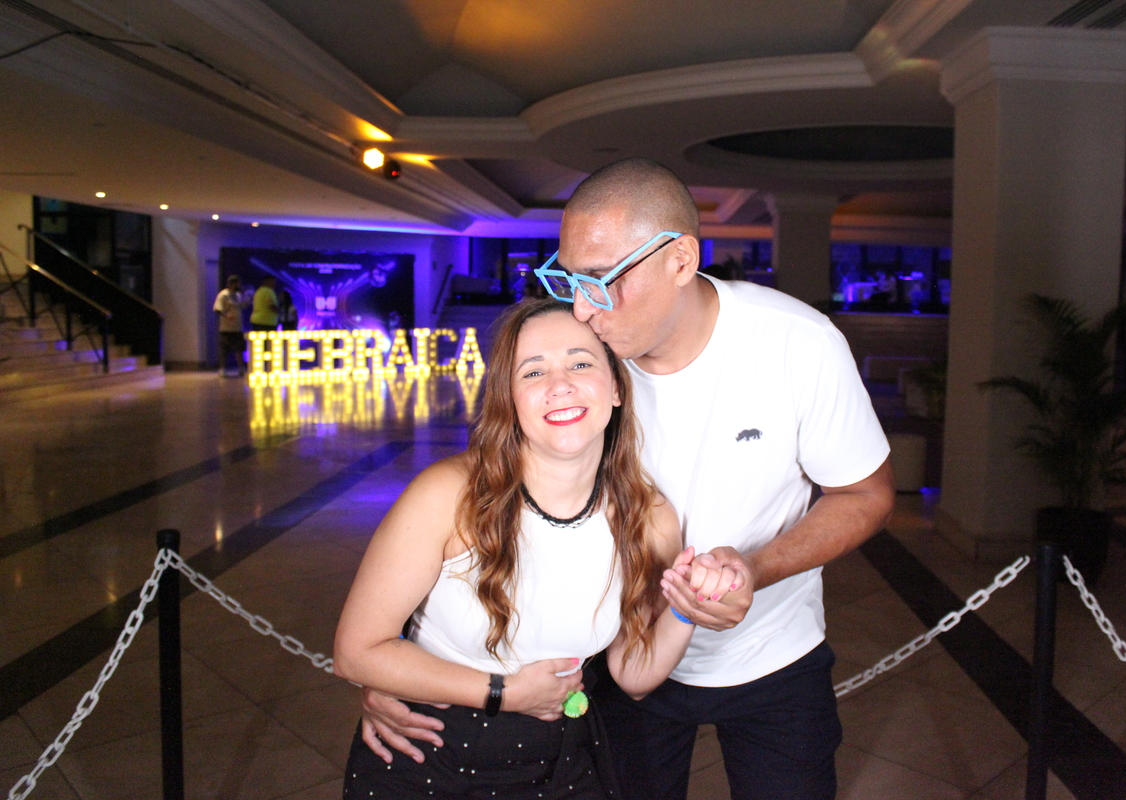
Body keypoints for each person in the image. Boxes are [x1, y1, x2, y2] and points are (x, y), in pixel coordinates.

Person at [360, 158, 894, 800]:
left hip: (773, 651)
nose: (583, 306)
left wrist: (754, 569)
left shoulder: (797, 343)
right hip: (612, 661)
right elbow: (484, 514)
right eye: (570, 279)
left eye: (603, 279)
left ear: (681, 259)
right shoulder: (587, 351)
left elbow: (866, 494)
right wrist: (403, 666)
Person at [335, 298, 730, 799]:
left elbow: (634, 673)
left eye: (580, 364)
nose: (559, 384)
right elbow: (356, 652)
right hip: (429, 752)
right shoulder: (449, 495)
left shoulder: (649, 516)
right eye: (534, 371)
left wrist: (685, 608)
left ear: (615, 387)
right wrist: (503, 692)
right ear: (509, 398)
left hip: (561, 759)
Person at [213, 275, 246, 377]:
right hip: (226, 328)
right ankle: (222, 369)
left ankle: (241, 368)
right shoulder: (223, 295)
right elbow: (217, 309)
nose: (238, 286)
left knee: (239, 349)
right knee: (224, 349)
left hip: (237, 327)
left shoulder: (237, 296)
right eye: (237, 284)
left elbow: (240, 306)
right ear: (232, 284)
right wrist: (226, 315)